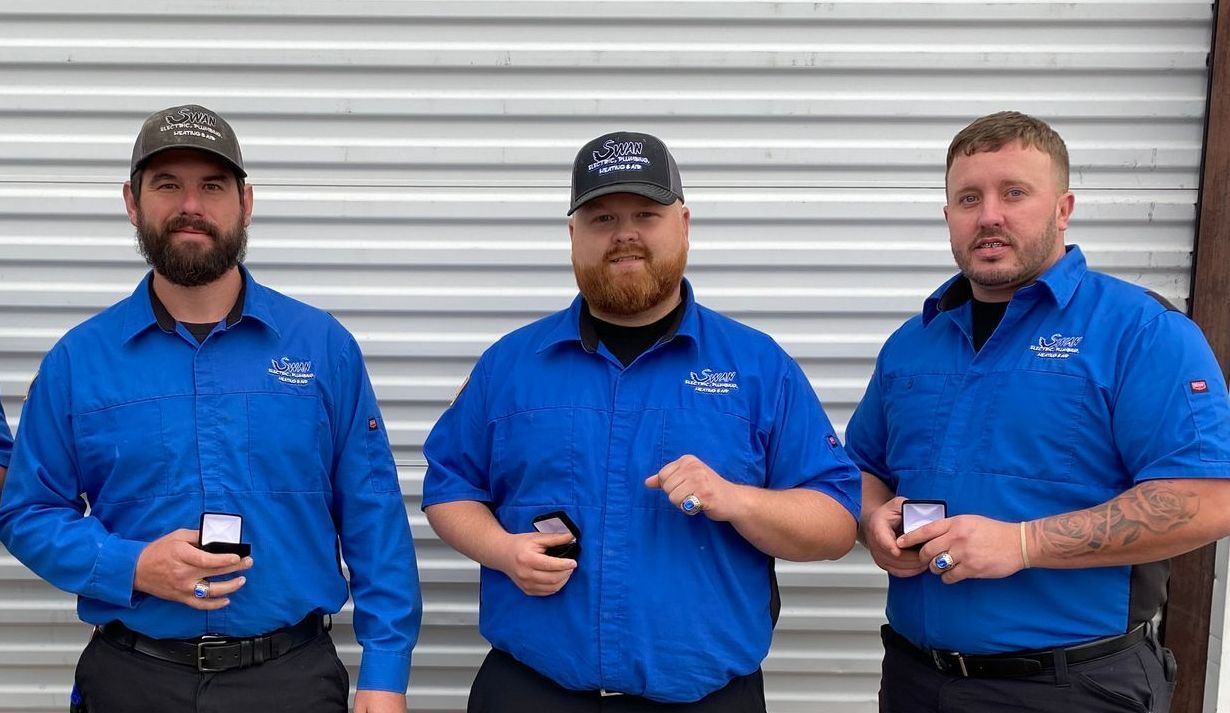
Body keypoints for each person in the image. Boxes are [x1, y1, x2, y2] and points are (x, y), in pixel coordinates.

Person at [0, 104, 421, 713]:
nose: (190, 205)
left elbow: (373, 517)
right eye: (167, 185)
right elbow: (28, 512)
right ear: (131, 201)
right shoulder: (77, 362)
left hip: (290, 682)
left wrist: (385, 676)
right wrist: (133, 564)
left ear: (245, 203)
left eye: (212, 186)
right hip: (131, 680)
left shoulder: (322, 348)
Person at [421, 131, 860, 712]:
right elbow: (449, 490)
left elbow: (835, 524)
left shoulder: (758, 368)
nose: (625, 233)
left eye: (646, 215)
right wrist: (502, 550)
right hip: (531, 690)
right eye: (602, 217)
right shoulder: (510, 366)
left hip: (704, 699)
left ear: (684, 224)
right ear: (573, 235)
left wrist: (737, 500)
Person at [846, 110, 1230, 713]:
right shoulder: (911, 345)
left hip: (1073, 686)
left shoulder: (1141, 332)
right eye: (968, 198)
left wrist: (1024, 543)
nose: (989, 215)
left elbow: (1208, 499)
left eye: (1014, 193)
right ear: (949, 217)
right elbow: (862, 467)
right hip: (916, 680)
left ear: (1063, 208)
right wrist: (873, 521)